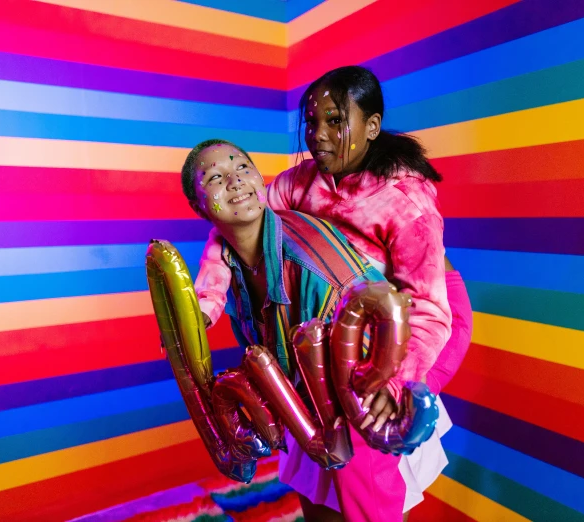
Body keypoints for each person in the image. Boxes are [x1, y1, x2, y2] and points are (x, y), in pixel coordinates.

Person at [190, 66, 473, 521]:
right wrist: (206, 301)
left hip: (427, 311)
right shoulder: (298, 183)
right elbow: (238, 224)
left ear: (372, 127)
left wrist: (398, 380)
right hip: (343, 323)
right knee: (317, 461)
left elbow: (429, 307)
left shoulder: (404, 197)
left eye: (336, 121)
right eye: (312, 121)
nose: (318, 135)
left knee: (368, 432)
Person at [182, 139, 414, 522]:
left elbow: (382, 334)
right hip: (308, 404)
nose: (236, 181)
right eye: (216, 178)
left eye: (242, 168)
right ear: (199, 206)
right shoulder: (227, 258)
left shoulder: (315, 267)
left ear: (260, 178)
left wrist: (383, 397)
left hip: (365, 400)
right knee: (318, 508)